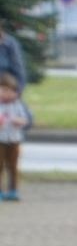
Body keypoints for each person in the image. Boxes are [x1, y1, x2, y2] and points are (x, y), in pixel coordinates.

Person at [0, 72, 30, 201]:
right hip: (1, 140)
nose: (8, 94)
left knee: (13, 166)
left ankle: (13, 190)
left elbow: (25, 120)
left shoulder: (17, 105)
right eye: (4, 90)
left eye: (11, 91)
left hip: (14, 140)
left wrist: (18, 121)